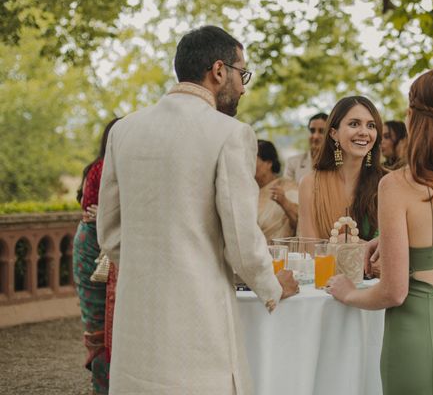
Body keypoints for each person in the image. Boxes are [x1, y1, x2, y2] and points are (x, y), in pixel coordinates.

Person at [97, 25, 298, 395]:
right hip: (198, 323)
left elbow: (109, 232)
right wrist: (273, 286)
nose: (243, 86)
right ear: (219, 70)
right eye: (242, 74)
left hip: (136, 320)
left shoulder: (124, 131)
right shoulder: (230, 133)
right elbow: (240, 241)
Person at [327, 68, 433, 394]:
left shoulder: (398, 185)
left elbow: (394, 291)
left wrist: (348, 293)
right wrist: (386, 239)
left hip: (416, 338)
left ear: (416, 116)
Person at [72, 117, 120, 395]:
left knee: (109, 323)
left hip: (103, 243)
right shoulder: (104, 169)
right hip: (94, 248)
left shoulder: (108, 166)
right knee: (101, 326)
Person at [297, 96, 385, 241]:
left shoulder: (387, 183)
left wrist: (356, 246)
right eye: (354, 124)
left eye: (371, 126)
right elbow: (309, 250)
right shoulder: (310, 184)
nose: (364, 132)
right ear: (333, 133)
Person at [256, 139, 298, 241]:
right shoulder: (246, 190)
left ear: (268, 163)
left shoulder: (288, 188)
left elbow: (301, 222)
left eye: (252, 159)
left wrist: (284, 202)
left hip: (278, 253)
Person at [284, 112, 328, 184]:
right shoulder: (293, 162)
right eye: (312, 131)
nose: (315, 136)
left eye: (322, 131)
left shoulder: (339, 163)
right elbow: (287, 191)